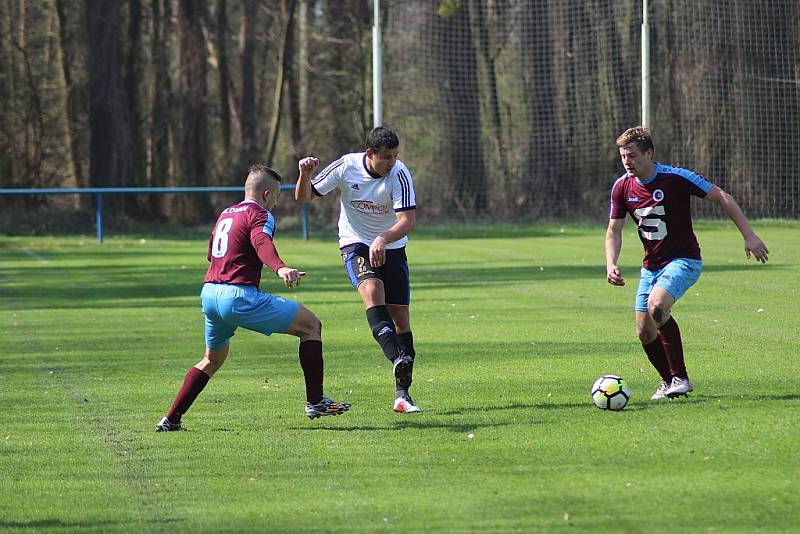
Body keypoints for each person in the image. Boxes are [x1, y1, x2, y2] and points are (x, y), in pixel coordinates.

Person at [155, 164, 350, 431]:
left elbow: (211, 254)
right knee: (310, 325)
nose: (277, 203)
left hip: (210, 294)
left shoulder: (226, 213)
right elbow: (261, 241)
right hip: (238, 297)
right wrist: (280, 267)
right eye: (278, 197)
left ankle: (171, 419)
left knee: (212, 359)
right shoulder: (260, 214)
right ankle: (315, 401)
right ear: (267, 194)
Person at [605, 126, 769, 400]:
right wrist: (611, 263)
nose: (627, 162)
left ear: (649, 153)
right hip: (651, 266)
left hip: (684, 259)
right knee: (644, 332)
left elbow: (722, 197)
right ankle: (668, 382)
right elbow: (613, 230)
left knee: (657, 306)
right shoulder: (622, 186)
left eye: (632, 155)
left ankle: (681, 378)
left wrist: (749, 235)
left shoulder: (675, 178)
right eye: (623, 156)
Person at [294, 126, 421, 413]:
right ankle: (396, 360)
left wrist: (383, 238)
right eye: (386, 157)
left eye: (395, 156)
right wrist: (304, 174)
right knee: (372, 290)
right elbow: (304, 197)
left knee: (400, 319)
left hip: (393, 247)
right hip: (355, 244)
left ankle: (402, 395)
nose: (391, 162)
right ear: (370, 154)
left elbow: (407, 220)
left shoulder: (400, 174)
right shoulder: (346, 166)